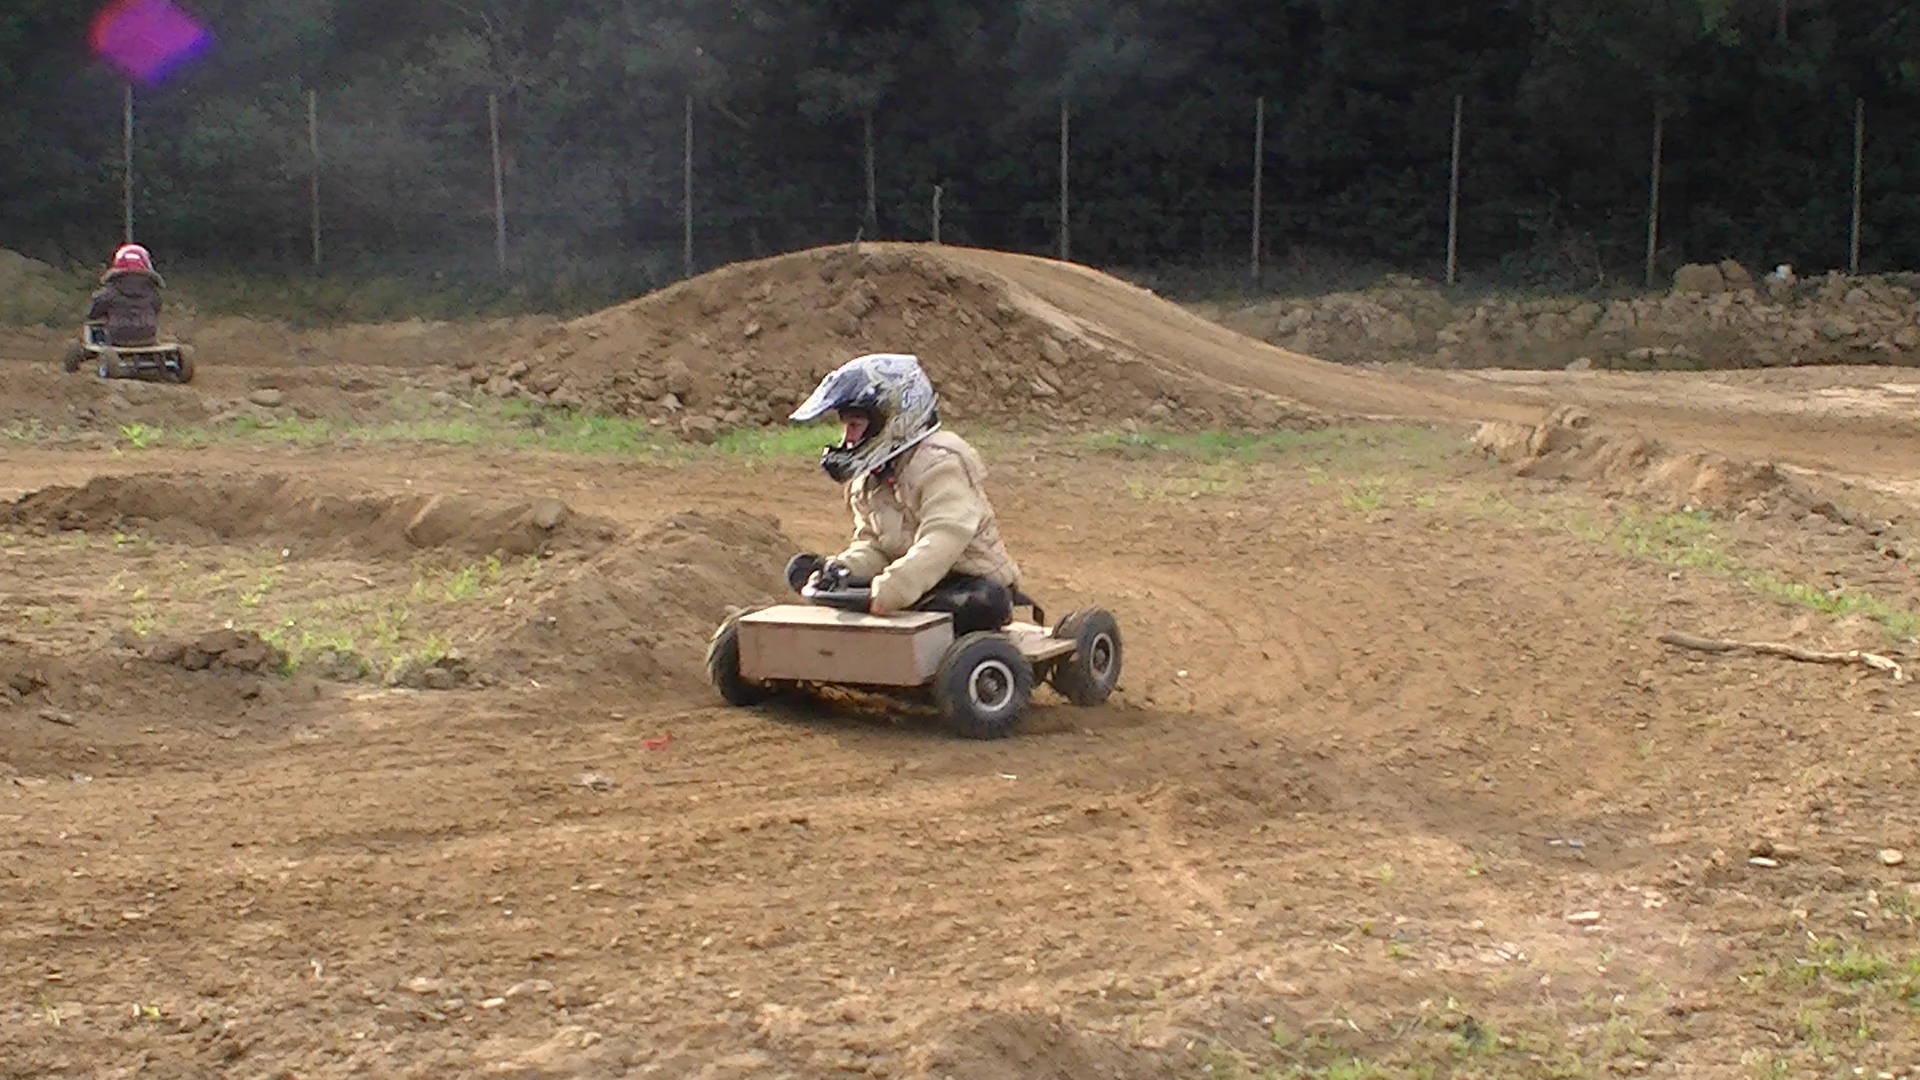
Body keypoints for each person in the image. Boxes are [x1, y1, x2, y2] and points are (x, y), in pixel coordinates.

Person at [784, 352, 1039, 634]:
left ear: (890, 418)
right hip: (912, 581)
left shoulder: (941, 463)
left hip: (967, 582)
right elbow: (876, 546)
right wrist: (844, 569)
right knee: (832, 581)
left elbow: (943, 539)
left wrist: (895, 587)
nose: (848, 440)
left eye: (855, 426)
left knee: (973, 604)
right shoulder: (870, 480)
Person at [86, 243, 165, 347]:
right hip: (148, 336)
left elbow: (94, 313)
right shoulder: (152, 293)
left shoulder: (110, 292)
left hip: (117, 338)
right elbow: (157, 309)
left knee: (96, 328)